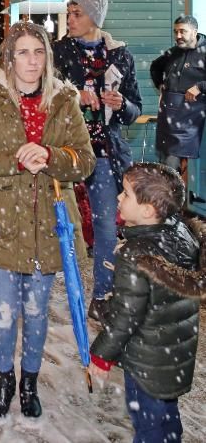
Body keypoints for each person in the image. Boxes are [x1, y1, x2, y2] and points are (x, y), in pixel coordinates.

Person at [0, 21, 95, 418]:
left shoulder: (64, 101)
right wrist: (17, 158)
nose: (32, 61)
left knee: (36, 312)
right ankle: (4, 381)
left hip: (47, 225)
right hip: (0, 223)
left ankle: (29, 383)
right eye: (23, 52)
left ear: (48, 57)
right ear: (9, 58)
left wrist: (51, 156)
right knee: (4, 312)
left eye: (39, 52)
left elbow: (83, 160)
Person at [88, 162, 200, 443]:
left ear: (148, 211)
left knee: (148, 428)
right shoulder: (183, 235)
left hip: (145, 365)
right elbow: (156, 300)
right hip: (173, 361)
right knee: (167, 421)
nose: (118, 198)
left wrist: (101, 356)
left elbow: (126, 317)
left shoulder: (136, 255)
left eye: (126, 194)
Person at [52, 0, 142, 319]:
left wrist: (121, 105)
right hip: (65, 150)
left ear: (94, 17)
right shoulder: (58, 52)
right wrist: (73, 95)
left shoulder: (120, 54)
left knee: (106, 225)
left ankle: (102, 294)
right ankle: (44, 283)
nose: (71, 19)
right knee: (58, 222)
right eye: (69, 13)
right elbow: (47, 93)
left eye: (77, 13)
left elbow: (135, 107)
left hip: (104, 152)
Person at [149, 15, 206, 177]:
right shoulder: (173, 53)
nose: (178, 36)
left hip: (193, 121)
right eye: (176, 32)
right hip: (169, 119)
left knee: (180, 171)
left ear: (194, 32)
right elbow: (155, 66)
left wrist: (200, 86)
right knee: (166, 168)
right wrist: (160, 84)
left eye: (183, 31)